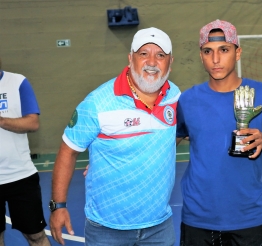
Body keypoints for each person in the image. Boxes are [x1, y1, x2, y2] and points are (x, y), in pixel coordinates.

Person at [49, 27, 180, 246]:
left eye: (160, 55)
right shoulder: (98, 102)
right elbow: (68, 150)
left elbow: (172, 134)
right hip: (107, 231)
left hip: (159, 227)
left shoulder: (175, 96)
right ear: (130, 58)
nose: (151, 62)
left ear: (170, 62)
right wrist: (58, 206)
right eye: (143, 54)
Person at [176, 20, 262, 245]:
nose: (216, 59)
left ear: (237, 53)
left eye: (224, 50)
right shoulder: (188, 100)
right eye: (208, 51)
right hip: (197, 220)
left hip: (247, 219)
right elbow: (165, 143)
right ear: (201, 56)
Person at [0, 58, 51, 245]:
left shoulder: (18, 82)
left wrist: (2, 120)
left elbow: (33, 122)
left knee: (36, 235)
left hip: (20, 176)